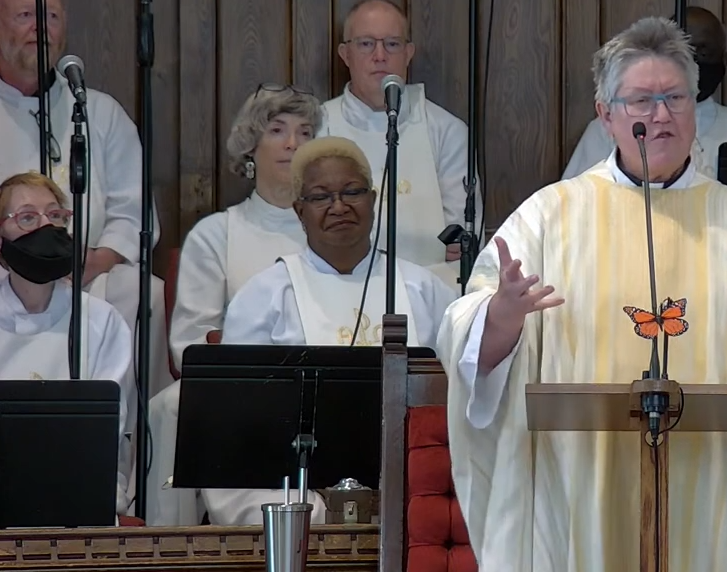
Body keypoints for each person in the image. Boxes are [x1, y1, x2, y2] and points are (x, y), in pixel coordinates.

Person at [439, 16, 727, 572]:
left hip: (713, 488)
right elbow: (465, 337)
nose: (660, 115)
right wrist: (502, 317)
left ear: (695, 108)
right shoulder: (548, 218)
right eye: (641, 100)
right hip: (583, 482)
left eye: (675, 98)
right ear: (606, 114)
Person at [203, 136, 459, 525]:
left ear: (373, 200)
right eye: (321, 197)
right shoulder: (265, 296)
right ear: (299, 210)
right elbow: (236, 424)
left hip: (412, 492)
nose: (339, 206)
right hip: (299, 491)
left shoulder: (422, 289)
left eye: (352, 191)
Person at [147, 84, 322, 526]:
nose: (292, 143)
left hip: (319, 381)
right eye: (278, 130)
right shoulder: (215, 234)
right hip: (238, 386)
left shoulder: (334, 233)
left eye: (304, 132)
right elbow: (189, 343)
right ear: (250, 148)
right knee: (171, 407)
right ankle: (172, 549)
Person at [0, 0, 169, 396]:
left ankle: (123, 447)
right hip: (5, 275)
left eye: (52, 17)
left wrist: (94, 261)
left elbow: (132, 213)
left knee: (144, 292)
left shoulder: (100, 112)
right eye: (25, 15)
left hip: (86, 276)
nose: (41, 28)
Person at [0, 171, 136, 517]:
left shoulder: (101, 321)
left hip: (79, 495)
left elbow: (110, 432)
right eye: (27, 217)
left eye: (56, 216)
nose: (45, 227)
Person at [321, 0, 481, 285]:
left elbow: (461, 243)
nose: (380, 55)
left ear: (409, 53)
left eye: (392, 44)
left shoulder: (446, 131)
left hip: (428, 292)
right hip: (334, 291)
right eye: (366, 44)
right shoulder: (320, 127)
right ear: (345, 54)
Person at [562, 6, 727, 180]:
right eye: (683, 51)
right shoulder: (609, 129)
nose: (692, 61)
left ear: (724, 59)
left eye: (702, 51)